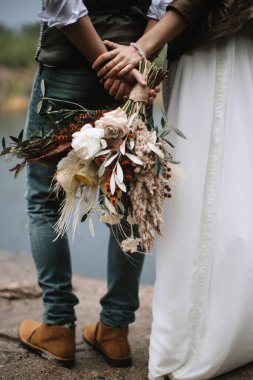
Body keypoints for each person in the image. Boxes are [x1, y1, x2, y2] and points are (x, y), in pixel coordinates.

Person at [93, 1, 253, 379]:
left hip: (215, 45)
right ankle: (235, 325)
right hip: (231, 41)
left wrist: (142, 49)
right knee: (234, 179)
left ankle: (194, 342)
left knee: (203, 183)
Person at [17, 0, 163, 369]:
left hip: (71, 63)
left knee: (45, 200)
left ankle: (58, 327)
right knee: (130, 199)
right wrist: (130, 66)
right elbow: (163, 4)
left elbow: (63, 3)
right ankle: (114, 331)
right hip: (132, 70)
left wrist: (103, 63)